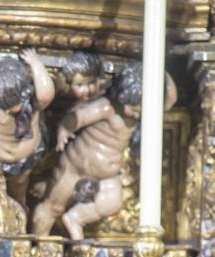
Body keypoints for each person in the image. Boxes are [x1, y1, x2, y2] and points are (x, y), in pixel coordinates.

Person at [32, 63, 177, 239]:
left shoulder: (144, 113)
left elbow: (170, 101)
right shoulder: (107, 108)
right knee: (52, 206)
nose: (135, 113)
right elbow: (79, 117)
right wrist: (64, 129)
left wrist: (160, 71)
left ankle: (75, 219)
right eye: (133, 107)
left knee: (113, 201)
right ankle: (38, 244)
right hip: (75, 168)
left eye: (141, 109)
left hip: (107, 176)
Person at [0, 51, 55, 216]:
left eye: (11, 104)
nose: (6, 109)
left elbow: (46, 95)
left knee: (19, 189)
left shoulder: (33, 103)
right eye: (1, 105)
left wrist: (36, 63)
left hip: (25, 157)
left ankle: (20, 215)